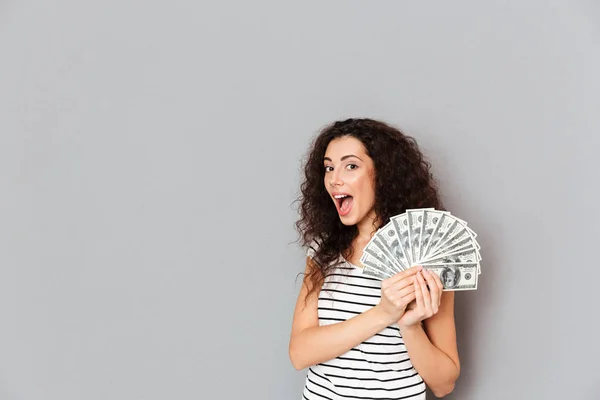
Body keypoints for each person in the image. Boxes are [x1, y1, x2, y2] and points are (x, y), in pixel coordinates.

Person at [289, 118, 460, 399]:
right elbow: (299, 353)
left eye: (351, 166)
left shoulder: (429, 257)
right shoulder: (323, 250)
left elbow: (444, 384)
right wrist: (382, 314)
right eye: (329, 167)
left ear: (383, 174)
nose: (334, 179)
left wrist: (409, 325)